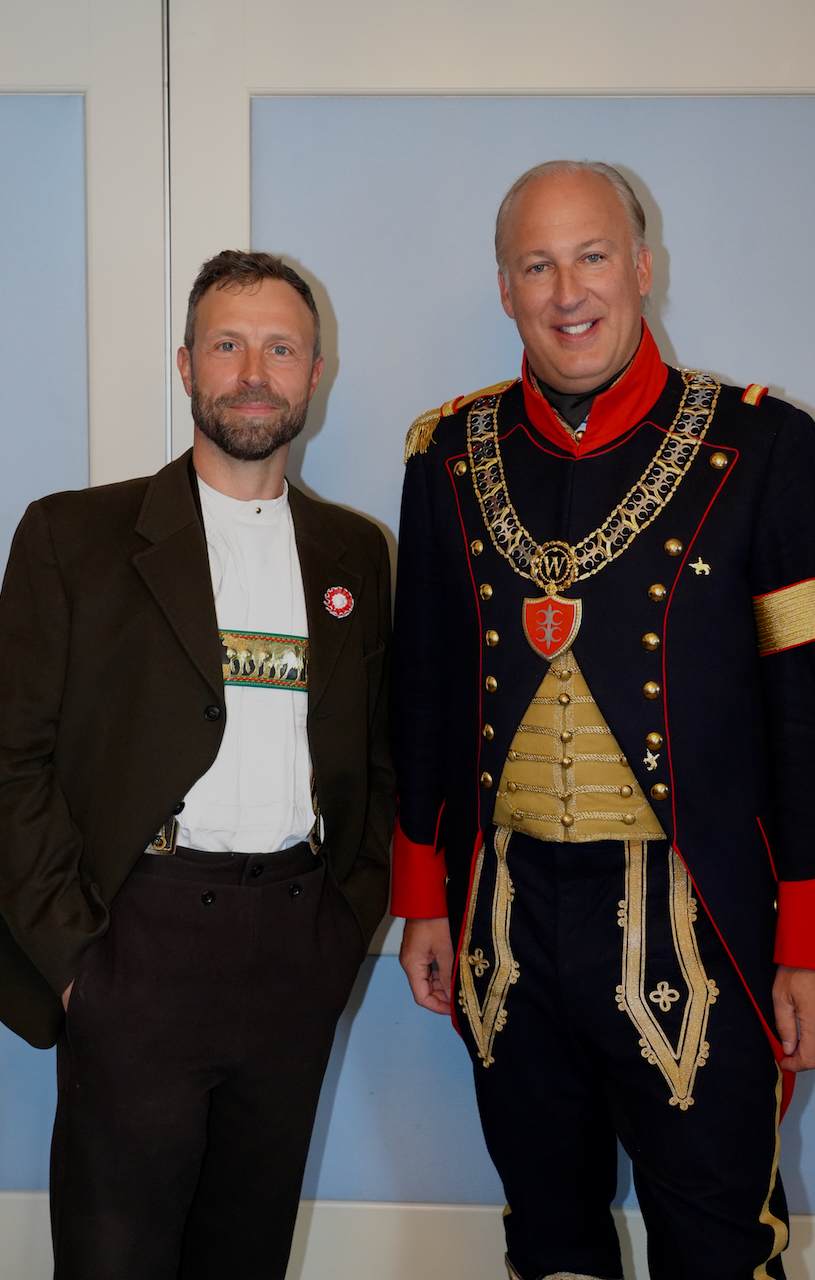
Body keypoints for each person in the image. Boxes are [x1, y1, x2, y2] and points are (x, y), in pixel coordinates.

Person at [391, 161, 815, 1280]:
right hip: (506, 911)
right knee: (546, 1235)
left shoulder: (763, 447)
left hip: (698, 917)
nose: (566, 290)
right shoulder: (446, 454)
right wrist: (420, 889)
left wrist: (807, 940)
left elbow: (803, 706)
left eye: (590, 256)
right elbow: (424, 683)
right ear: (504, 288)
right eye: (536, 265)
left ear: (640, 265)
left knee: (718, 1242)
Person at [0, 250, 394, 1279]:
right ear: (185, 364)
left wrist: (344, 922)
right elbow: (11, 759)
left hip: (295, 945)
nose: (253, 373)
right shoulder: (73, 537)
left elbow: (379, 755)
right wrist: (77, 963)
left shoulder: (355, 553)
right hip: (136, 943)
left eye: (280, 349)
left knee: (245, 1254)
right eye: (227, 345)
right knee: (115, 1258)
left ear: (315, 373)